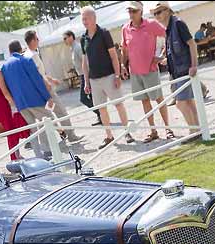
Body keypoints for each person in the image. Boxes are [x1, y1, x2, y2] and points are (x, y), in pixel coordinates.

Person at [81, 5, 134, 148]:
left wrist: (117, 75)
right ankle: (109, 136)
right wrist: (86, 82)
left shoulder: (104, 33)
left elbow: (113, 56)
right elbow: (85, 62)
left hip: (109, 76)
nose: (84, 21)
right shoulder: (83, 38)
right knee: (102, 109)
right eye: (82, 19)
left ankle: (127, 132)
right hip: (94, 79)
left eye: (86, 18)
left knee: (118, 104)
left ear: (93, 18)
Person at [121, 1, 174, 143]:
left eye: (134, 11)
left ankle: (168, 129)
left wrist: (162, 55)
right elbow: (124, 49)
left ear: (140, 11)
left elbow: (169, 34)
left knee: (158, 99)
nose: (131, 14)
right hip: (135, 72)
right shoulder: (125, 28)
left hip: (150, 70)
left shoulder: (151, 24)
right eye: (129, 11)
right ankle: (153, 131)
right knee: (144, 102)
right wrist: (122, 65)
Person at [1, 40, 62, 159]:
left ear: (9, 51)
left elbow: (7, 86)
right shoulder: (26, 60)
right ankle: (49, 150)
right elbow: (37, 80)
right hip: (35, 99)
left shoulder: (5, 67)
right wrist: (47, 96)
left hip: (20, 103)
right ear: (20, 49)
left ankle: (38, 155)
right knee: (47, 122)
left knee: (32, 129)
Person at [24, 30, 83, 144]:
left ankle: (62, 133)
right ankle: (71, 135)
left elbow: (40, 74)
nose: (38, 40)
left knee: (49, 115)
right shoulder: (33, 55)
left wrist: (51, 79)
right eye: (37, 39)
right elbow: (38, 75)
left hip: (39, 91)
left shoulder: (27, 55)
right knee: (61, 111)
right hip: (45, 90)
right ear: (32, 41)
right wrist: (48, 87)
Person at [152, 1, 200, 134]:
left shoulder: (178, 23)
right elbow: (178, 49)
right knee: (189, 102)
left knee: (181, 103)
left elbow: (192, 44)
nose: (157, 16)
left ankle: (193, 131)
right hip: (178, 71)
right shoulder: (169, 28)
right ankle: (198, 129)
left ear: (167, 11)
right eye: (155, 14)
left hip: (185, 70)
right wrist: (167, 59)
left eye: (159, 12)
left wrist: (194, 65)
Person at [63, 30, 102, 126]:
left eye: (65, 38)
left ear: (71, 37)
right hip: (82, 75)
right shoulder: (72, 48)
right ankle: (100, 116)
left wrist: (87, 78)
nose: (64, 41)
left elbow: (86, 62)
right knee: (92, 97)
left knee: (83, 98)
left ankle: (101, 113)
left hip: (86, 75)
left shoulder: (77, 47)